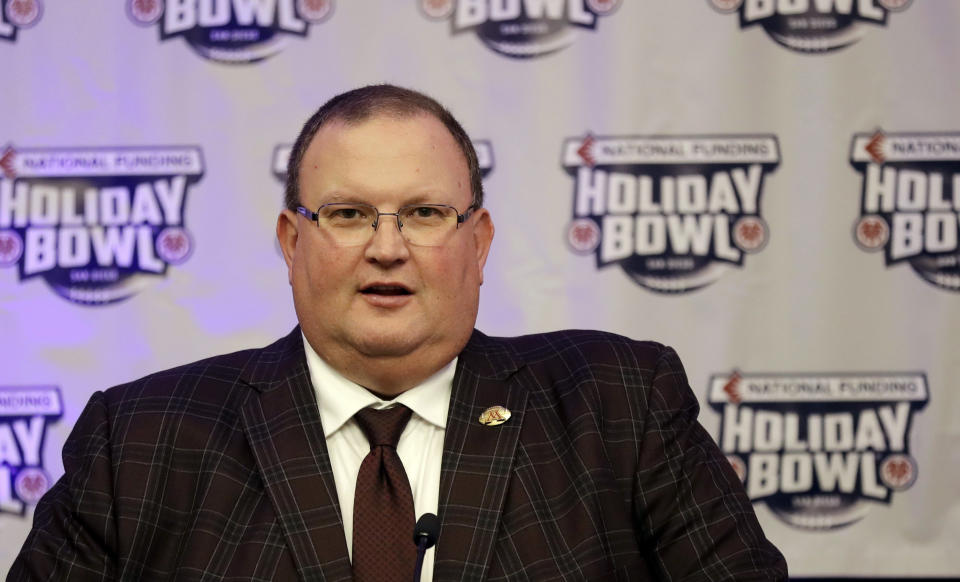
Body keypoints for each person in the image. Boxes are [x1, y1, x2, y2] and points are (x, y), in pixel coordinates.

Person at [9, 85, 787, 581]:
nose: (387, 246)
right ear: (291, 241)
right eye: (348, 214)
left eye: (424, 213)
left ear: (478, 243)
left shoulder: (620, 405)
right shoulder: (140, 441)